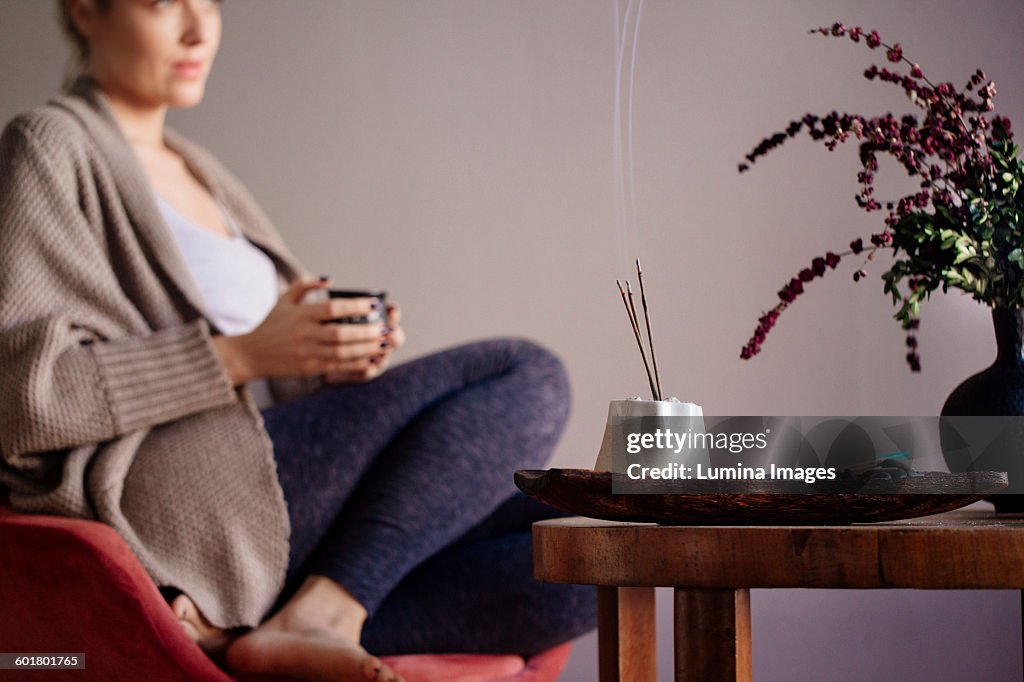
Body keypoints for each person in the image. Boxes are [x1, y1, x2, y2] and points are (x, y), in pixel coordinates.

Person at [0, 1, 597, 680]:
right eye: (164, 3)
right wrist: (241, 355)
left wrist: (328, 364)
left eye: (210, 2)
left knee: (590, 549)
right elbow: (25, 396)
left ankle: (259, 633)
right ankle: (324, 612)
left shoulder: (200, 170)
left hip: (266, 486)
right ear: (85, 10)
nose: (199, 30)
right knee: (526, 373)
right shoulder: (49, 143)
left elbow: (265, 371)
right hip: (166, 489)